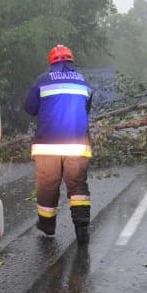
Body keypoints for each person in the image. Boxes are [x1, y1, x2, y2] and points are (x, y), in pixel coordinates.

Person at [24, 44, 94, 243]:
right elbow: (86, 108)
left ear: (51, 62)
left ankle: (47, 226)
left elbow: (29, 107)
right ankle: (82, 228)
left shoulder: (43, 80)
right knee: (78, 186)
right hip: (77, 145)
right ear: (71, 61)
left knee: (47, 185)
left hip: (48, 146)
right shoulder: (83, 81)